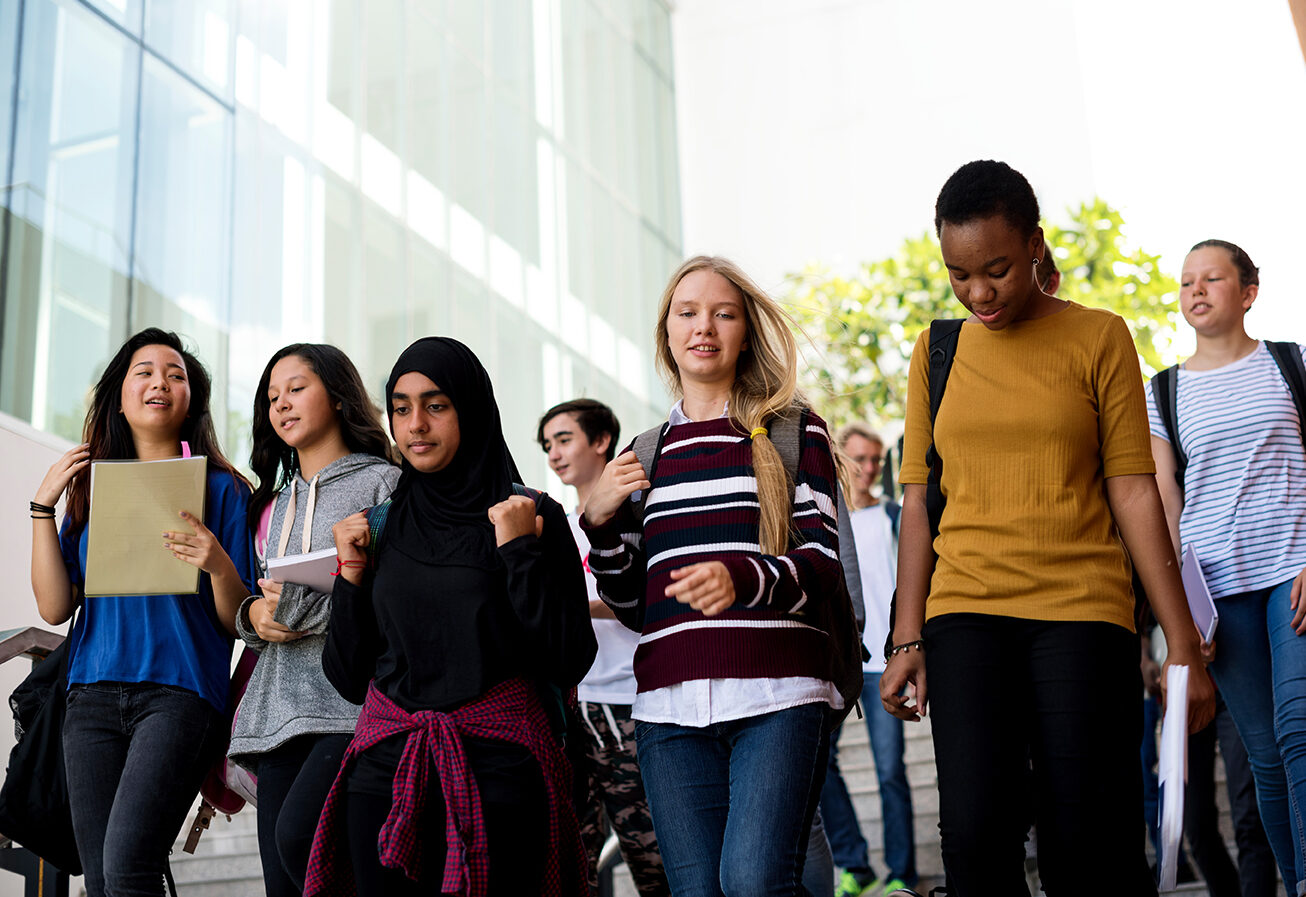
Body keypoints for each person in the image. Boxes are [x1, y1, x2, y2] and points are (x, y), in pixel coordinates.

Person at [880, 160, 1215, 897]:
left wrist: (1182, 644)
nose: (979, 292)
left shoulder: (1100, 337)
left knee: (1087, 837)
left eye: (996, 268)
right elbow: (917, 504)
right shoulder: (937, 352)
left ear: (1035, 244)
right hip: (964, 613)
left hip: (1082, 612)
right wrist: (907, 636)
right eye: (959, 274)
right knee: (973, 834)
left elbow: (1133, 491)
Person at [582, 255, 845, 897]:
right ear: (667, 334)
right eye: (688, 313)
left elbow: (822, 563)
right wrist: (599, 525)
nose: (705, 326)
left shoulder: (792, 429)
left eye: (723, 313)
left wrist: (741, 578)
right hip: (668, 709)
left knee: (753, 882)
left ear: (745, 331)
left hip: (777, 693)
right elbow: (635, 605)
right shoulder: (644, 454)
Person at [304, 336, 595, 897]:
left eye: (436, 405)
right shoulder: (379, 525)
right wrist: (350, 574)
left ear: (471, 408)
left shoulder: (532, 515)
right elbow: (346, 676)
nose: (415, 425)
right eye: (401, 407)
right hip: (385, 774)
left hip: (501, 776)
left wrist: (517, 553)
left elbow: (568, 657)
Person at [29, 327, 258, 897]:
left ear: (190, 399)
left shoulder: (225, 488)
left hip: (179, 696)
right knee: (104, 879)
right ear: (120, 393)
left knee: (130, 867)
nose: (161, 382)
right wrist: (42, 507)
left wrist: (218, 564)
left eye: (176, 374)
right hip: (90, 698)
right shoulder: (89, 489)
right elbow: (56, 607)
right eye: (145, 372)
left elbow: (239, 622)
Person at [1147, 238, 1306, 894]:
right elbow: (1163, 505)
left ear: (1248, 291)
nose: (1197, 290)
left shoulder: (1289, 362)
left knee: (1299, 729)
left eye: (1213, 278)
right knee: (1266, 759)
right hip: (1218, 590)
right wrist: (1181, 614)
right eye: (1187, 282)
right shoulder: (1163, 391)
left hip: (1293, 570)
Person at [228, 344, 400, 896]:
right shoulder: (274, 506)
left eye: (296, 388)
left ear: (338, 395)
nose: (281, 404)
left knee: (302, 841)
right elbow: (262, 609)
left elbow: (389, 597)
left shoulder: (384, 484)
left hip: (351, 708)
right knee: (281, 881)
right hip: (278, 710)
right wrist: (255, 614)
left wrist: (297, 604)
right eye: (272, 396)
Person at [537, 398, 670, 897]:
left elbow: (645, 598)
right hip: (571, 710)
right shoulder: (552, 525)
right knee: (573, 859)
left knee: (652, 858)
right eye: (547, 445)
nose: (554, 454)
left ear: (601, 442)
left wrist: (570, 602)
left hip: (631, 706)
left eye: (564, 439)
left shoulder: (638, 512)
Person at [819, 423, 917, 897]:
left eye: (876, 459)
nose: (869, 468)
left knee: (890, 770)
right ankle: (854, 863)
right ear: (842, 460)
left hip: (887, 660)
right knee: (819, 767)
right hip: (838, 661)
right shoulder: (824, 519)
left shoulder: (896, 517)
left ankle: (903, 871)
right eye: (859, 458)